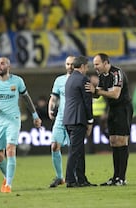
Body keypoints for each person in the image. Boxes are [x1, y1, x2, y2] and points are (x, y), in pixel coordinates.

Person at [0, 57, 42, 193]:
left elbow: (26, 98)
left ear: (9, 66)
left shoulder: (17, 81)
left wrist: (35, 115)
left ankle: (8, 185)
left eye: (2, 64)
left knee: (10, 149)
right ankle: (6, 177)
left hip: (13, 120)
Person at [86, 53, 133, 186]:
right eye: (94, 64)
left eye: (97, 64)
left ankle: (122, 178)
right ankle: (115, 176)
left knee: (122, 141)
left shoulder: (117, 73)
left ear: (105, 63)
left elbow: (115, 94)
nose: (95, 67)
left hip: (123, 109)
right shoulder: (102, 76)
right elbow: (99, 94)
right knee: (113, 141)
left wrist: (97, 91)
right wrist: (92, 91)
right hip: (112, 109)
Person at [63, 56, 96, 188]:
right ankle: (70, 179)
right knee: (75, 151)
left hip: (68, 119)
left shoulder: (69, 79)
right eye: (87, 66)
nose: (87, 69)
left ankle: (81, 179)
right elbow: (87, 102)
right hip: (78, 119)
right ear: (82, 66)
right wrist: (90, 121)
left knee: (79, 150)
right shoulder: (83, 79)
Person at [48, 56, 75, 188]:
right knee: (54, 146)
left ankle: (73, 176)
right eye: (67, 64)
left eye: (72, 64)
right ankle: (59, 177)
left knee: (74, 149)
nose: (69, 66)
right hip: (60, 118)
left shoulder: (80, 80)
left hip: (73, 118)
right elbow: (53, 98)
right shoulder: (59, 80)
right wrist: (50, 109)